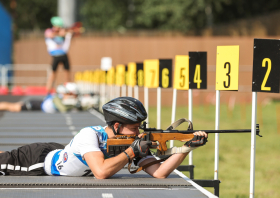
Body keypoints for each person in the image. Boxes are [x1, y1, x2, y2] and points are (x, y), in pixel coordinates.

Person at [0, 97, 208, 177]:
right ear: (117, 126)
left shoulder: (129, 143)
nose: (138, 132)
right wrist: (132, 151)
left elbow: (160, 172)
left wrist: (187, 148)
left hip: (61, 151)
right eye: (134, 127)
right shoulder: (89, 135)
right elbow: (100, 172)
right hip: (35, 161)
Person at [0, 83, 81, 113]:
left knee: (14, 106)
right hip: (37, 105)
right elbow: (63, 108)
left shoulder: (60, 97)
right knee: (14, 107)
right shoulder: (59, 98)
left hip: (39, 104)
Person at [45, 16, 73, 94]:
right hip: (56, 55)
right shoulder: (49, 31)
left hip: (64, 54)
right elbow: (50, 35)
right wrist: (60, 34)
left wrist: (66, 32)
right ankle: (48, 91)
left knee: (67, 73)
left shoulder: (63, 32)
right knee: (53, 73)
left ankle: (68, 90)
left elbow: (67, 35)